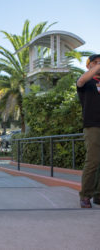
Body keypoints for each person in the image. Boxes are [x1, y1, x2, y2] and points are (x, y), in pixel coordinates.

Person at [77, 54, 100, 208]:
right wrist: (97, 67)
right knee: (93, 161)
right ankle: (85, 196)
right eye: (95, 63)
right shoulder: (87, 81)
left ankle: (99, 195)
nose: (98, 65)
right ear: (89, 66)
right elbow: (81, 81)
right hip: (93, 125)